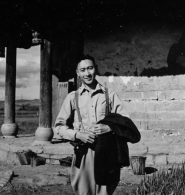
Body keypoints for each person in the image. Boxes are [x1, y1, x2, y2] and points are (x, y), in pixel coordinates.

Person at [54, 55, 130, 195]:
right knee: (84, 191)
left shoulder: (109, 95)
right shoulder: (72, 97)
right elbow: (59, 126)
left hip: (107, 151)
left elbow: (126, 121)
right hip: (83, 153)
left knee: (105, 191)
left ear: (96, 69)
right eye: (82, 70)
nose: (87, 73)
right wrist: (77, 134)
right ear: (77, 72)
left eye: (90, 68)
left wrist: (110, 127)